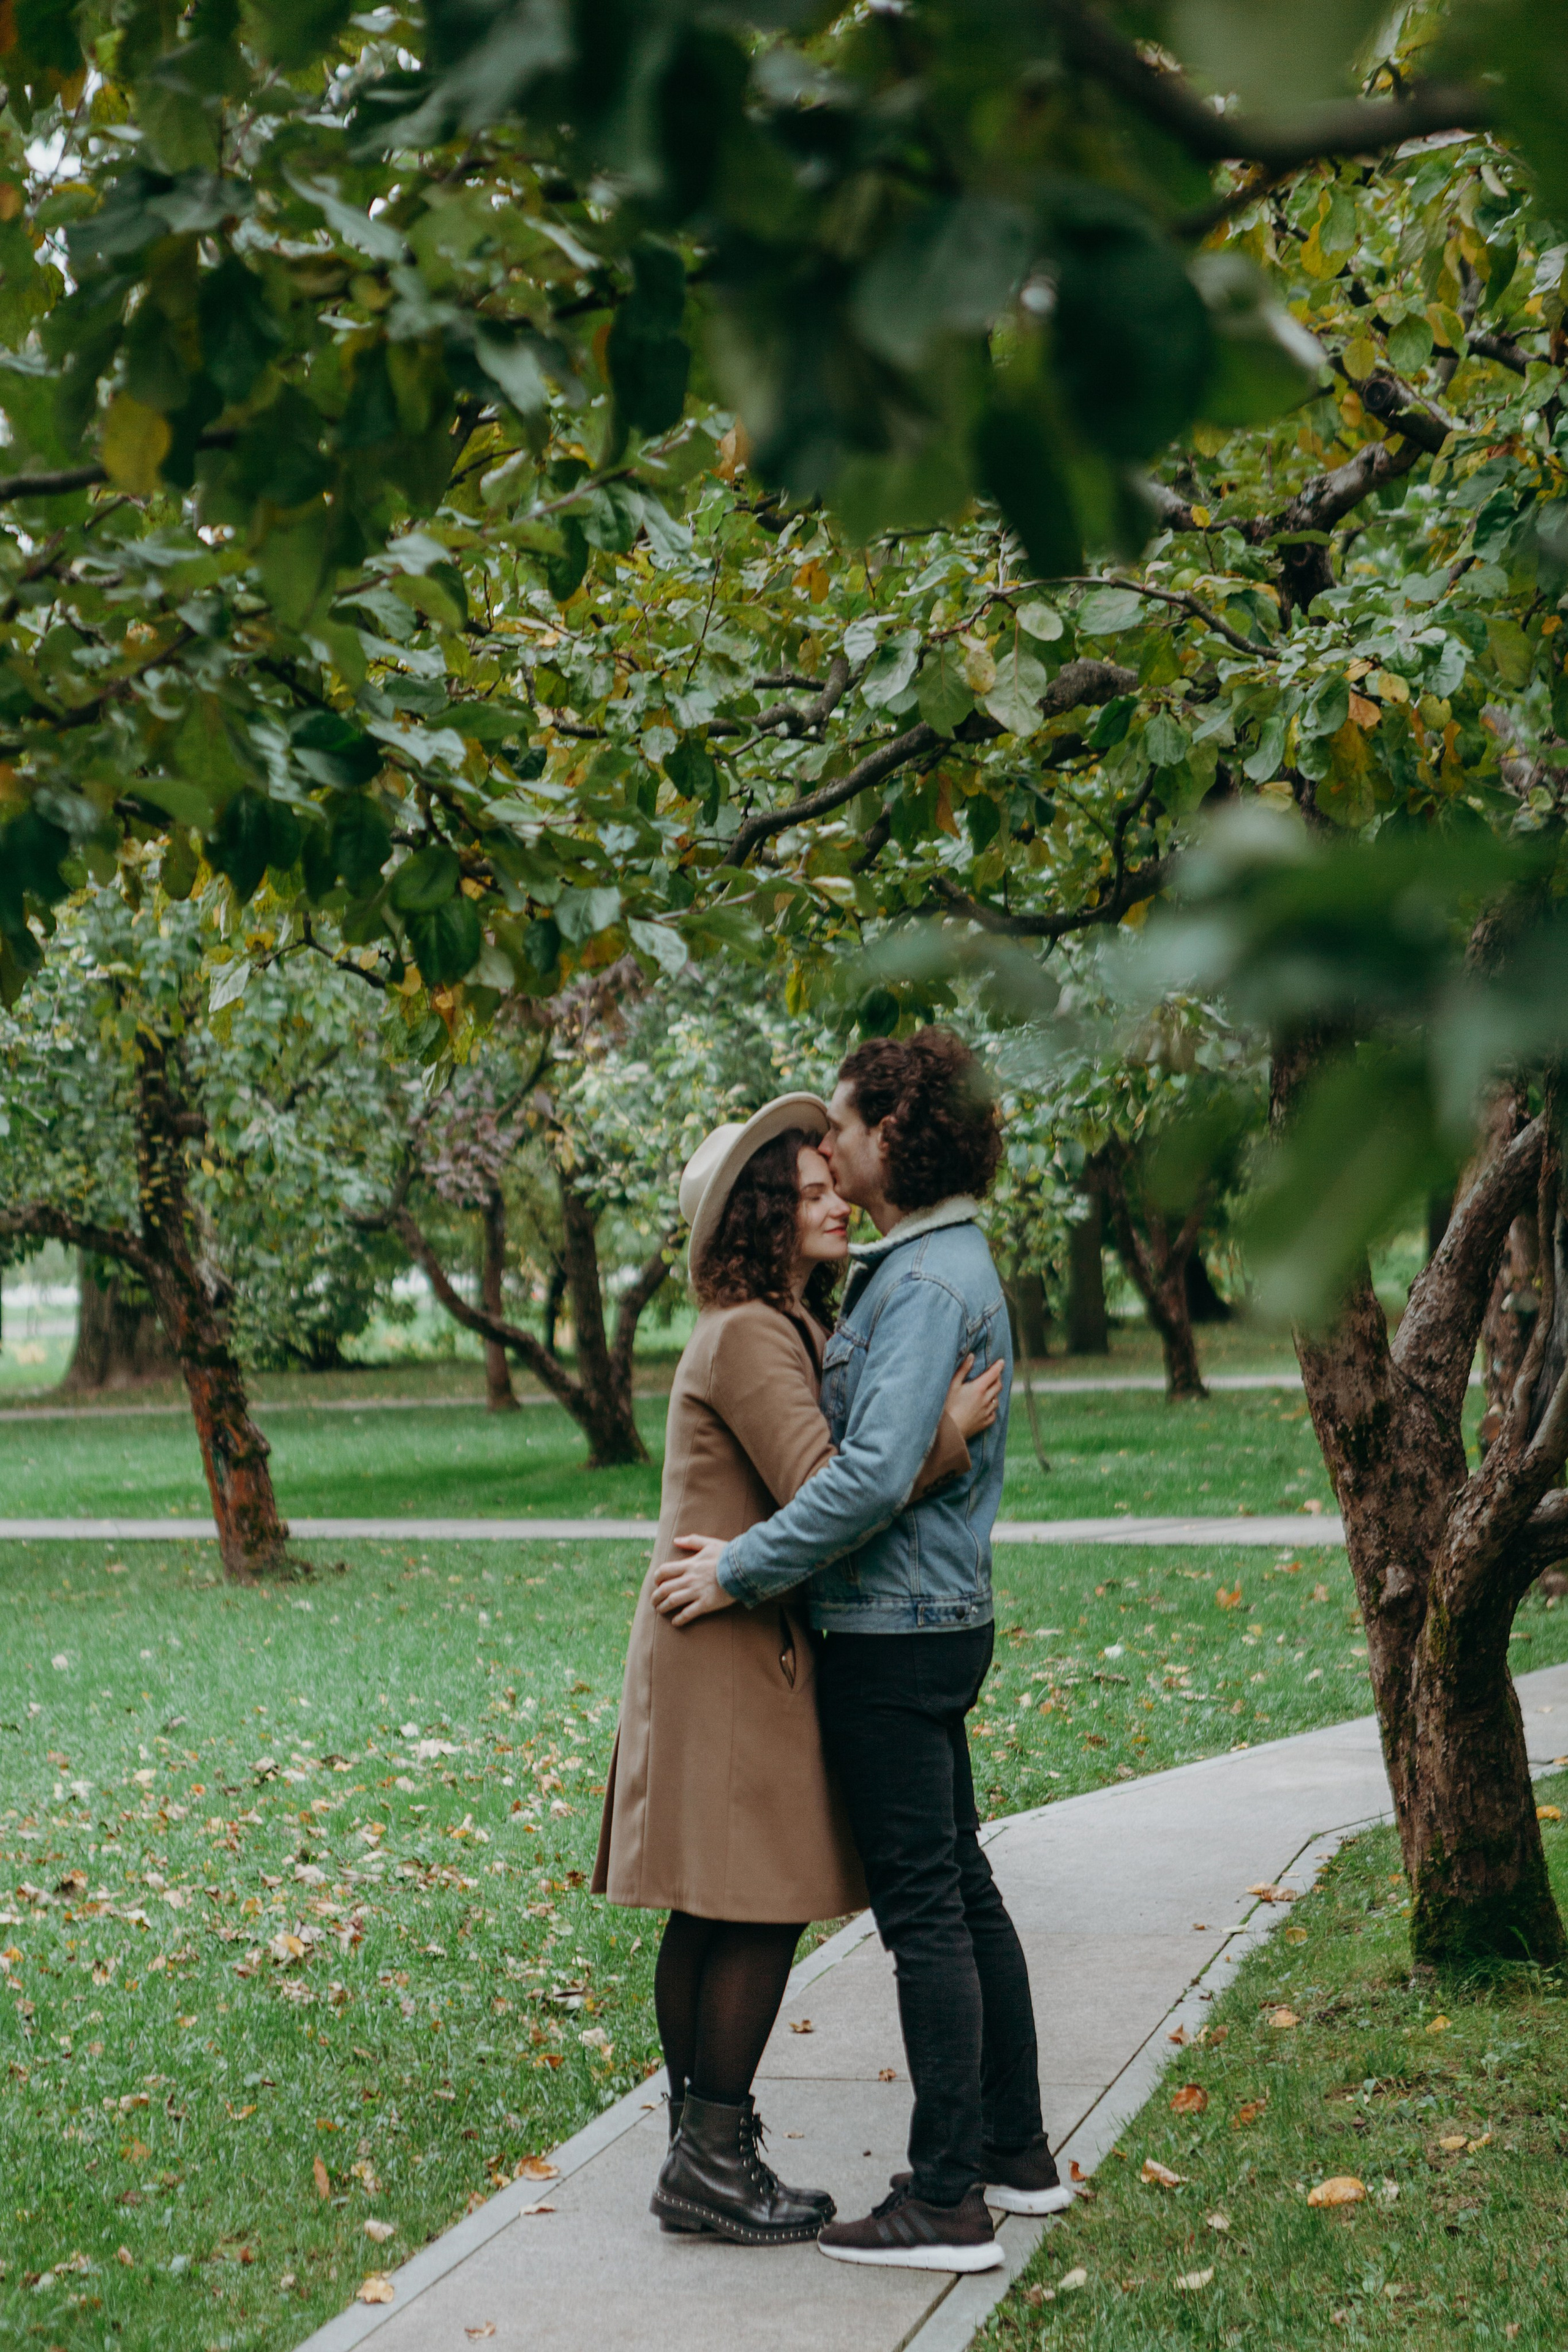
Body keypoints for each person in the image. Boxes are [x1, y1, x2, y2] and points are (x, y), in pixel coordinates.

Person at [652, 1030, 1069, 2275]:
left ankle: (946, 2198)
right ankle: (1007, 2153)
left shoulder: (922, 1281)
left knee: (929, 1909)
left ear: (893, 1133)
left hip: (895, 1626)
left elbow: (862, 1477)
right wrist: (931, 1437)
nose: (830, 1159)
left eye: (838, 1135)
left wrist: (739, 1565)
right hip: (899, 1621)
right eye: (805, 1172)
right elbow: (864, 1466)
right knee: (953, 1892)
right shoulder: (897, 1281)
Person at [593, 1091, 1001, 2248]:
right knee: (754, 1902)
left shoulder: (779, 1322)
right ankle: (711, 2157)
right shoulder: (752, 1334)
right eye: (812, 1194)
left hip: (732, 1631)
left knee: (717, 1903)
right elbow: (829, 1487)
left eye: (834, 1186)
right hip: (730, 1641)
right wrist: (943, 1438)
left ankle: (702, 2154)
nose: (837, 1206)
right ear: (765, 1214)